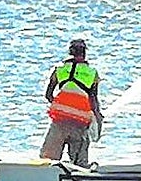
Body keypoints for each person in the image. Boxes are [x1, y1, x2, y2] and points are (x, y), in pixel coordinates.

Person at [40, 38, 103, 167]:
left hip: (59, 121)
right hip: (80, 123)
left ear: (70, 52)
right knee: (79, 164)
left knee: (47, 160)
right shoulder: (92, 73)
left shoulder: (59, 70)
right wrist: (98, 119)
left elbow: (48, 95)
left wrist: (60, 105)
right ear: (84, 53)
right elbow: (94, 101)